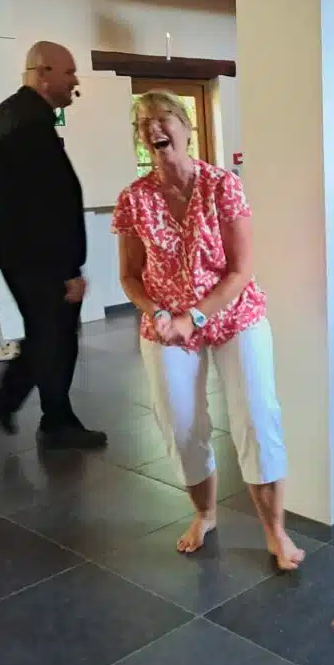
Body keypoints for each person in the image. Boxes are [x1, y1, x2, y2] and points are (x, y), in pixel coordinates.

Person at [111, 89, 303, 570]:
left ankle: (275, 532)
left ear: (186, 128)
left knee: (257, 417)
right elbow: (129, 276)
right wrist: (156, 312)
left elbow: (240, 270)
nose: (153, 128)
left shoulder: (222, 185)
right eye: (143, 123)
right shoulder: (134, 199)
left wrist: (194, 315)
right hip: (166, 326)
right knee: (179, 424)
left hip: (234, 315)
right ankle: (204, 515)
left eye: (163, 118)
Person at [0, 41, 107, 449]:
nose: (75, 81)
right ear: (43, 74)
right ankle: (42, 416)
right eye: (69, 72)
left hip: (21, 256)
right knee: (53, 338)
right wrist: (69, 271)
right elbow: (45, 206)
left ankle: (51, 416)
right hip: (41, 261)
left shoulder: (13, 115)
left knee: (46, 336)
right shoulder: (29, 125)